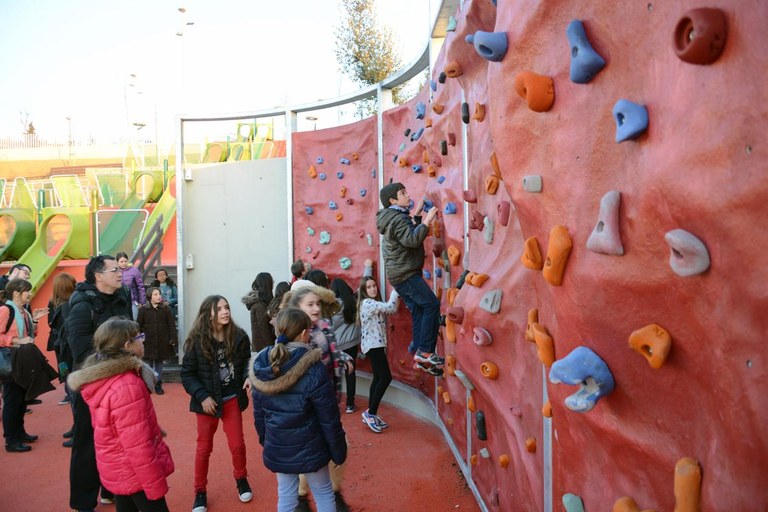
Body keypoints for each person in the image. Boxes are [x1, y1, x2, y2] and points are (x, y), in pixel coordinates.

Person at [67, 318, 174, 512]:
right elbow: (137, 445)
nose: (143, 340)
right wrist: (155, 485)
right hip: (134, 471)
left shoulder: (105, 377)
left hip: (118, 466)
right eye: (139, 337)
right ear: (127, 346)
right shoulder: (127, 385)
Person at [250, 308, 347, 512]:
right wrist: (338, 451)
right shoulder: (314, 368)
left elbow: (258, 414)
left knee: (286, 495)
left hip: (278, 445)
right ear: (304, 333)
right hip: (312, 449)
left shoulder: (262, 365)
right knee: (323, 493)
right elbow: (329, 418)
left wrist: (266, 441)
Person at [66, 254, 132, 511]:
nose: (120, 273)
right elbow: (80, 350)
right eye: (114, 269)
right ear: (98, 275)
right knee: (87, 443)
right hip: (91, 386)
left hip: (121, 384)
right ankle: (83, 502)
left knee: (118, 442)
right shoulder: (82, 306)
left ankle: (110, 490)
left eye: (119, 269)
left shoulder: (122, 298)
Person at [281, 284, 353, 511]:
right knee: (321, 451)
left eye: (317, 303)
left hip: (329, 399)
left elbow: (331, 351)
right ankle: (315, 496)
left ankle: (331, 493)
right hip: (309, 404)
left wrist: (343, 359)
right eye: (309, 304)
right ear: (297, 309)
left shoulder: (324, 326)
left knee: (336, 447)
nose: (315, 308)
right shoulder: (296, 336)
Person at [181, 295, 253, 512]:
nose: (225, 312)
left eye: (227, 307)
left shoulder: (238, 336)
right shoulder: (196, 340)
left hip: (231, 398)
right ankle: (199, 491)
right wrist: (202, 396)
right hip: (208, 402)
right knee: (204, 448)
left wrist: (249, 376)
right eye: (219, 308)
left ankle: (241, 479)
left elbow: (247, 361)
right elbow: (187, 374)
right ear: (208, 313)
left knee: (237, 444)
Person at [376, 182, 443, 375]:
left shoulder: (393, 216)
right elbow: (411, 239)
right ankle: (425, 351)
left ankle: (420, 353)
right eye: (403, 193)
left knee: (420, 310)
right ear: (393, 200)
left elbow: (405, 233)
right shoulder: (396, 218)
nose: (407, 195)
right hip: (405, 274)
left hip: (399, 274)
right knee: (430, 305)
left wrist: (418, 214)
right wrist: (427, 221)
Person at [0, 279, 52, 452]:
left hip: (22, 359)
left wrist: (34, 321)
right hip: (11, 360)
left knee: (22, 399)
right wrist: (15, 340)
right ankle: (11, 440)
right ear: (16, 292)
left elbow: (30, 336)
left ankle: (20, 433)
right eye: (27, 291)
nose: (30, 294)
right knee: (12, 400)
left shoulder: (23, 312)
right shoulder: (5, 310)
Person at [357, 270, 400, 433]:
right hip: (373, 345)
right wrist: (396, 289)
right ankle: (371, 413)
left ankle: (371, 413)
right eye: (369, 287)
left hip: (375, 345)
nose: (373, 289)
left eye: (374, 286)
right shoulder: (368, 303)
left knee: (378, 378)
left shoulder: (372, 304)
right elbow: (390, 306)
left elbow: (392, 309)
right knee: (385, 377)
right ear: (364, 291)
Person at [46, 272, 77, 443]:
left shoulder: (67, 307)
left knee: (74, 392)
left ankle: (79, 429)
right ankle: (76, 426)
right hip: (66, 354)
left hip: (69, 355)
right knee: (72, 392)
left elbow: (67, 337)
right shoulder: (61, 305)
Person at [329, 277, 361, 414]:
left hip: (337, 345)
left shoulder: (332, 307)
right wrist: (368, 269)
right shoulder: (353, 301)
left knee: (336, 374)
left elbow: (330, 326)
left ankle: (334, 404)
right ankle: (350, 404)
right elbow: (362, 287)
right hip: (352, 343)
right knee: (351, 372)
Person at [137, 287, 177, 395]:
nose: (159, 296)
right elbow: (138, 327)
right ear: (150, 297)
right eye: (155, 294)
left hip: (162, 341)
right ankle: (148, 385)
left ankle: (158, 384)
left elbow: (171, 325)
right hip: (148, 342)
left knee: (159, 363)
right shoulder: (143, 310)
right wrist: (139, 341)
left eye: (159, 294)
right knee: (147, 364)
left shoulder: (165, 309)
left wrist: (173, 338)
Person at [242, 272, 275, 352]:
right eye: (271, 282)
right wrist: (271, 347)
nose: (273, 284)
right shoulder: (260, 305)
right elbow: (264, 328)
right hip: (264, 348)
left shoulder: (261, 302)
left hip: (263, 347)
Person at [116, 252, 146, 319]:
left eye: (125, 261)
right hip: (118, 301)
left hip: (133, 301)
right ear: (117, 262)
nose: (124, 263)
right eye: (121, 261)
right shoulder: (114, 271)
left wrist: (142, 301)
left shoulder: (134, 271)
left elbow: (140, 286)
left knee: (133, 321)